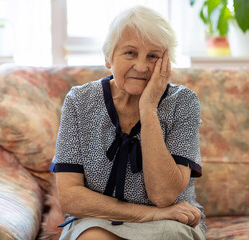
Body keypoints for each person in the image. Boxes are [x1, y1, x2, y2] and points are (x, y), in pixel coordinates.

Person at [50, 5, 206, 240]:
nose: (142, 67)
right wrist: (148, 214)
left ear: (166, 63)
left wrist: (149, 109)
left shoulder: (183, 102)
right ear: (108, 57)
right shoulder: (79, 101)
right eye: (130, 53)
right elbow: (71, 197)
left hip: (169, 221)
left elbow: (163, 197)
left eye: (153, 56)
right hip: (98, 220)